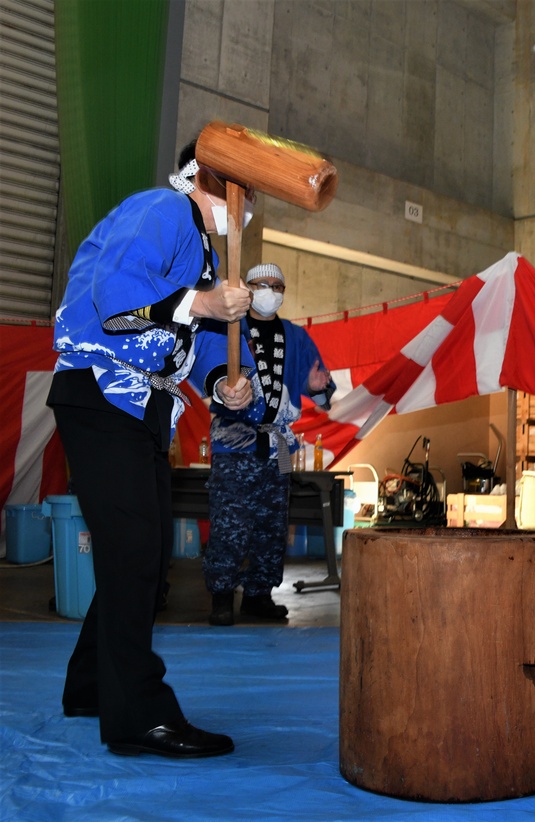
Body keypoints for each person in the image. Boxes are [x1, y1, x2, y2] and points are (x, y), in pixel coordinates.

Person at [47, 138, 255, 759]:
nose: (248, 212)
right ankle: (140, 715)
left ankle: (91, 685)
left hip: (142, 408)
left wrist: (225, 385)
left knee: (141, 554)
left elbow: (197, 348)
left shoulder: (204, 253)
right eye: (245, 193)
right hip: (100, 394)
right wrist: (202, 302)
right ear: (216, 183)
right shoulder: (161, 210)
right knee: (137, 550)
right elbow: (116, 300)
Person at [203, 262, 334, 626]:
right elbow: (207, 370)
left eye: (279, 286)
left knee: (274, 523)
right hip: (235, 442)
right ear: (249, 286)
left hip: (281, 446)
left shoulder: (295, 336)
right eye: (264, 284)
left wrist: (318, 385)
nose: (271, 291)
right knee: (231, 521)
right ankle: (222, 594)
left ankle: (260, 594)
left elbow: (321, 389)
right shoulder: (229, 327)